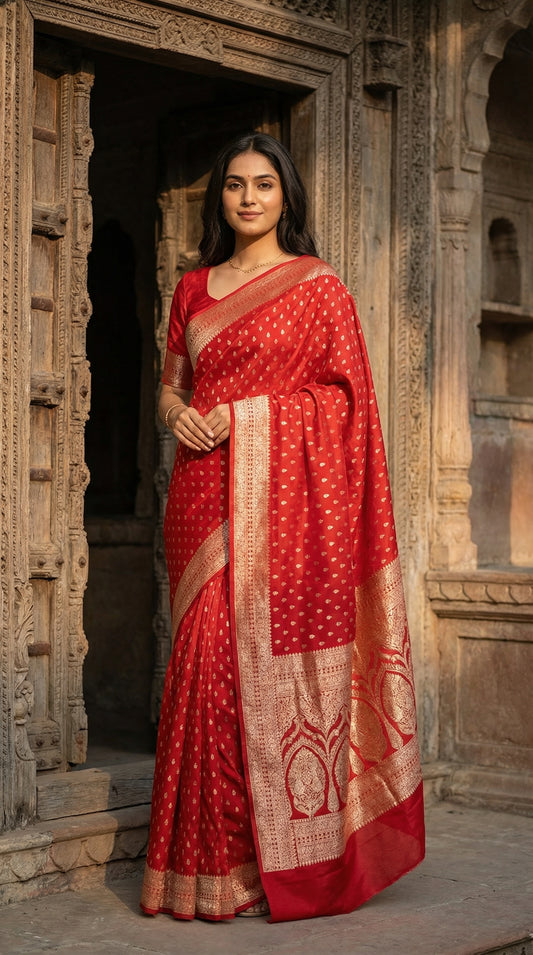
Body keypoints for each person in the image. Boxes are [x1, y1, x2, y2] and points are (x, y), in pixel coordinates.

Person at [140, 132, 425, 923]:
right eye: (234, 185)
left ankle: (269, 863)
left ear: (286, 197)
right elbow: (169, 389)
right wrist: (183, 417)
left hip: (284, 506)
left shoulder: (317, 286)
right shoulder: (193, 288)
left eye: (264, 184)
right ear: (218, 198)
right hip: (200, 496)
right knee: (201, 672)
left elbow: (346, 405)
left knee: (246, 677)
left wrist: (248, 417)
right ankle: (203, 868)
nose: (248, 198)